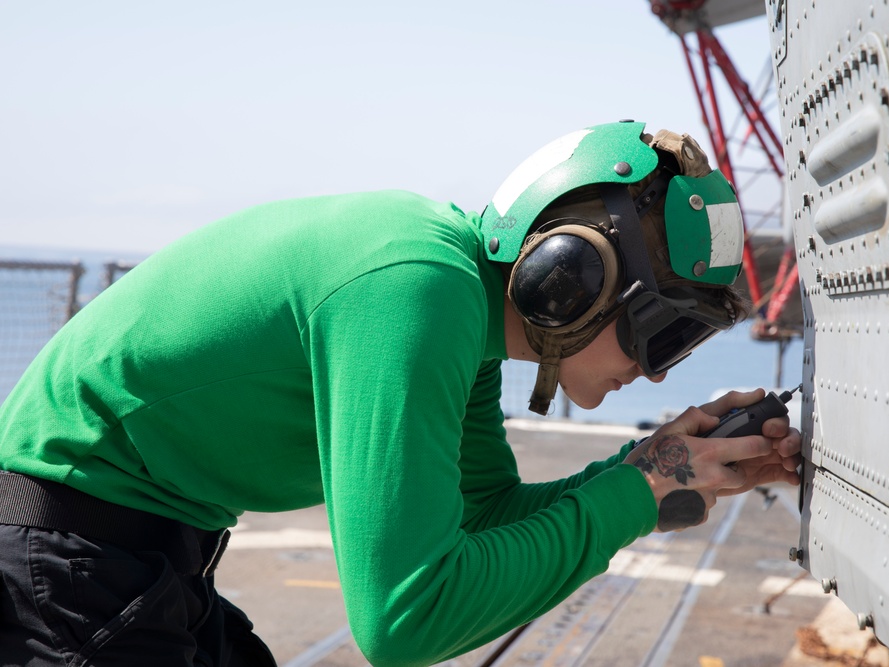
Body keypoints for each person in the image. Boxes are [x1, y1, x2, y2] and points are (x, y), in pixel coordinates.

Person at [0, 120, 801, 666]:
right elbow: (405, 616)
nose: (659, 370)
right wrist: (639, 489)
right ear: (573, 278)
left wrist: (659, 467)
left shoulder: (461, 310)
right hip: (69, 569)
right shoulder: (417, 290)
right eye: (663, 334)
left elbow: (480, 521)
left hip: (128, 560)